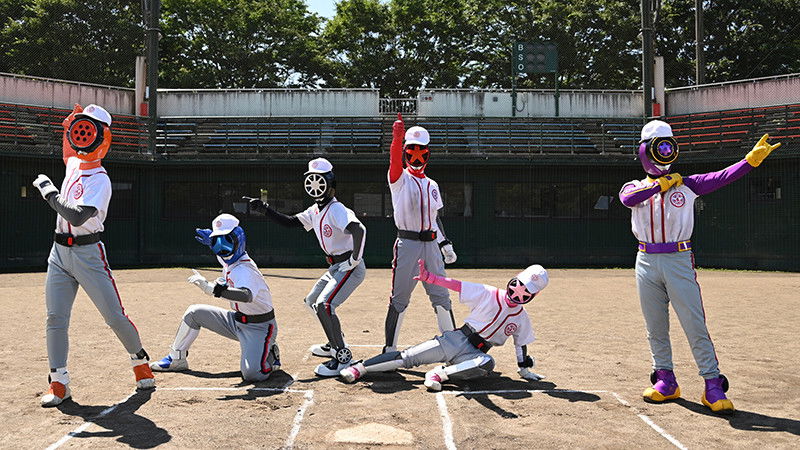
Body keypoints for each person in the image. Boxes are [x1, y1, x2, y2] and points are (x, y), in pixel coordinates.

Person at [619, 120, 782, 414]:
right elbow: (628, 199)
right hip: (645, 260)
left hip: (679, 258)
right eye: (659, 145)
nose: (664, 151)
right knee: (655, 325)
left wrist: (749, 161)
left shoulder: (688, 185)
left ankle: (712, 384)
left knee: (694, 324)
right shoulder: (634, 187)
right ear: (645, 151)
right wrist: (658, 186)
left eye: (668, 145)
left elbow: (722, 177)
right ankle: (665, 380)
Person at [32, 104, 155, 407]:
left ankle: (139, 361)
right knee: (55, 317)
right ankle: (59, 382)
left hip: (88, 252)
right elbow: (67, 152)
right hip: (58, 252)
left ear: (103, 138)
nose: (82, 134)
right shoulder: (73, 164)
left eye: (88, 129)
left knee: (113, 316)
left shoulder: (100, 179)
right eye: (80, 129)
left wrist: (49, 193)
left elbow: (75, 216)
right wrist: (67, 125)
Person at [340, 259, 548, 391]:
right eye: (519, 284)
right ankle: (360, 368)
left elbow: (520, 343)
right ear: (514, 279)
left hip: (475, 353)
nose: (519, 291)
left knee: (487, 363)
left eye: (527, 290)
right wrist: (430, 278)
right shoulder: (489, 292)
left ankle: (439, 374)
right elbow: (457, 285)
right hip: (456, 339)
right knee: (409, 358)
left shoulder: (521, 317)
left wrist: (524, 370)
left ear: (535, 295)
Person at [243, 158, 366, 377]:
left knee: (325, 305)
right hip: (335, 267)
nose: (315, 185)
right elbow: (291, 222)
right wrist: (264, 209)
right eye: (312, 179)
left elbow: (359, 229)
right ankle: (333, 342)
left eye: (320, 180)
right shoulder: (316, 210)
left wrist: (355, 260)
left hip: (348, 266)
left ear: (330, 182)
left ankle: (342, 357)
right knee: (312, 301)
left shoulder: (336, 209)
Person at [150, 214, 280, 381]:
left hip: (260, 328)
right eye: (217, 242)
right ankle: (176, 358)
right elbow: (221, 252)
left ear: (238, 239)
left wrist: (214, 290)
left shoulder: (245, 269)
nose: (221, 248)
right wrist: (211, 241)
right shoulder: (228, 260)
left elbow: (246, 296)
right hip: (236, 321)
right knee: (194, 313)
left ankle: (270, 353)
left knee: (253, 374)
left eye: (226, 241)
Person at [383, 113, 458, 354]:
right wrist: (396, 139)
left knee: (442, 297)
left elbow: (434, 218)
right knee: (400, 298)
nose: (416, 155)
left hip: (432, 245)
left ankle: (453, 349)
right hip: (408, 243)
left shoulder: (432, 184)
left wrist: (445, 244)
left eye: (421, 150)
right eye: (411, 149)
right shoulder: (399, 179)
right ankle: (390, 349)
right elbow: (395, 161)